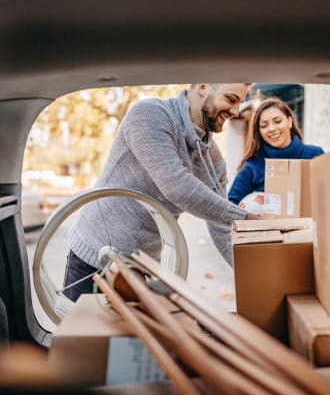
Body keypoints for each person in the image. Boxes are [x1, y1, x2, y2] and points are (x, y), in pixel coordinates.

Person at [64, 83, 263, 302]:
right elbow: (177, 186)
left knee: (128, 336)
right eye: (231, 99)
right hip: (95, 255)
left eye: (239, 103)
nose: (235, 111)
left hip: (142, 266)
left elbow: (221, 226)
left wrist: (257, 278)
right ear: (204, 86)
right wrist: (245, 218)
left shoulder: (212, 158)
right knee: (83, 334)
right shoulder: (150, 115)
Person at [228, 97, 324, 205]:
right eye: (264, 125)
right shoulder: (253, 164)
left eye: (277, 121)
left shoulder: (316, 155)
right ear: (259, 132)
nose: (271, 128)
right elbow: (231, 204)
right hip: (269, 222)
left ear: (290, 121)